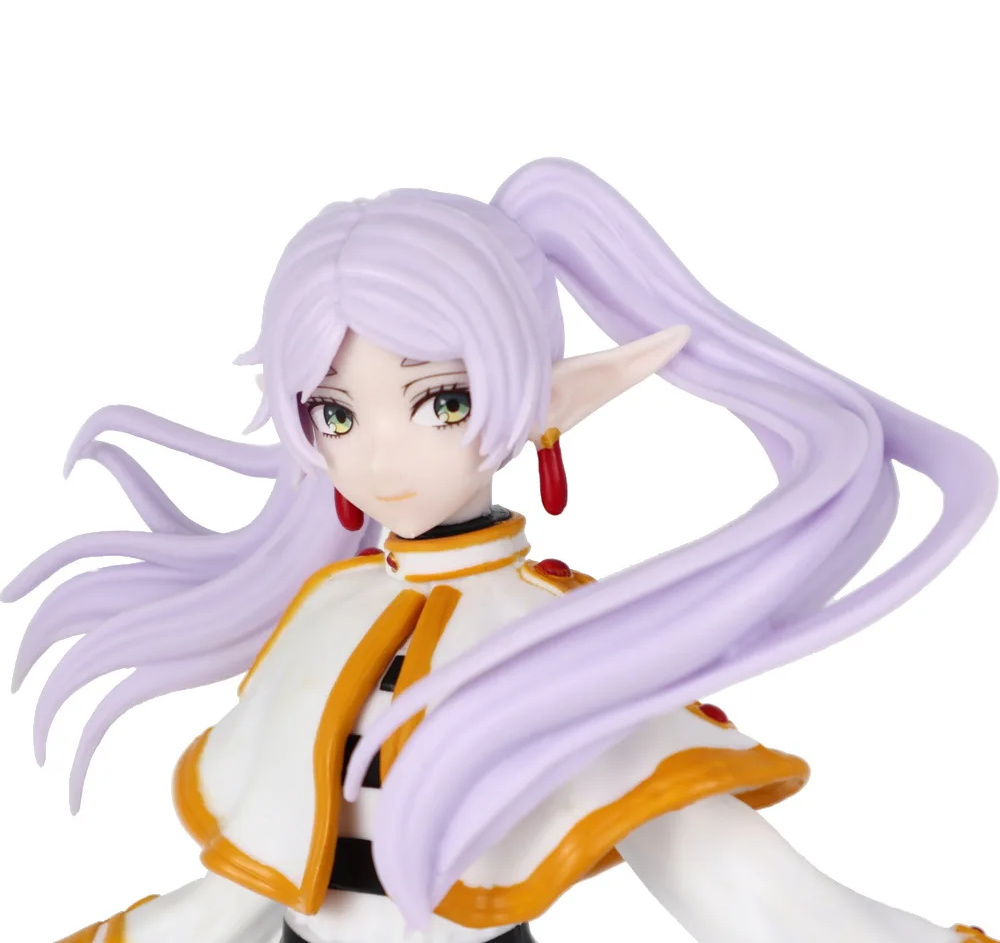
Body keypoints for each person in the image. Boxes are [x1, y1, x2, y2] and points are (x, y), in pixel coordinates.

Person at [4, 158, 996, 943]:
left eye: (440, 400)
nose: (380, 455)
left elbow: (726, 875)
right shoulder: (324, 617)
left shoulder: (561, 637)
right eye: (337, 413)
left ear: (544, 397)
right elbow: (256, 874)